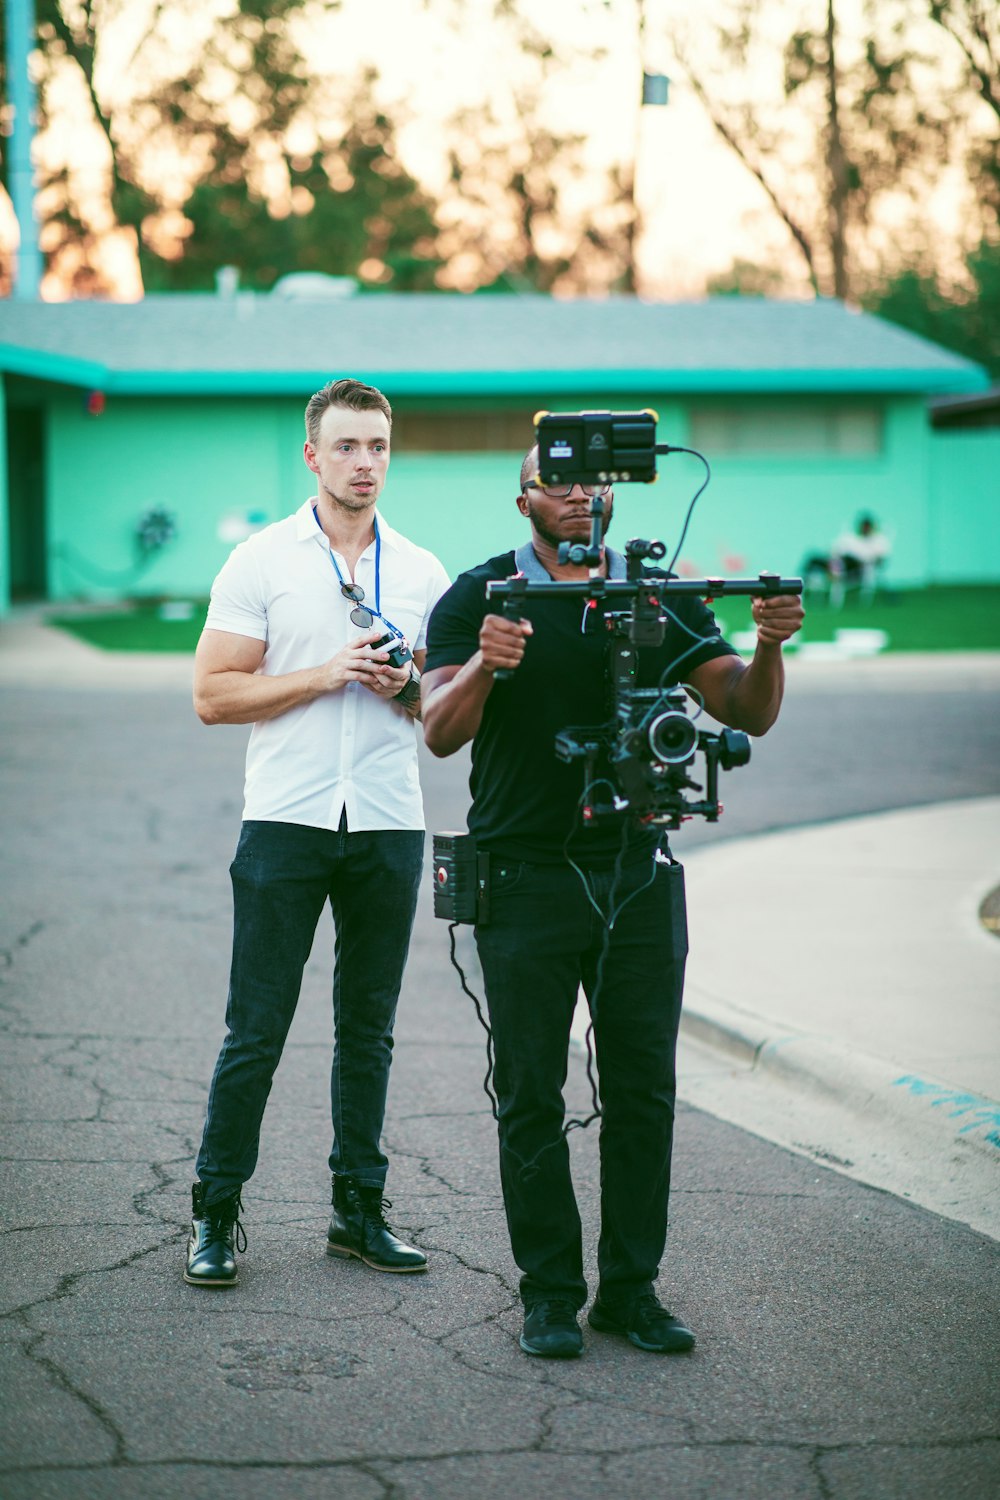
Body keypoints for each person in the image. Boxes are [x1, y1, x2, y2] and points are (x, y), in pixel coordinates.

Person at [421, 447, 803, 1358]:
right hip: (523, 877)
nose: (580, 493)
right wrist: (485, 664)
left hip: (637, 873)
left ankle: (630, 1291)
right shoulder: (482, 596)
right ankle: (549, 1291)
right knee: (528, 1094)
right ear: (523, 500)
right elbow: (437, 732)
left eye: (593, 481)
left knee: (644, 1094)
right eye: (557, 480)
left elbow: (745, 712)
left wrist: (769, 644)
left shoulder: (658, 591)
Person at [185, 377, 449, 1288]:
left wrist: (404, 686)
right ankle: (216, 1214)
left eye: (377, 447)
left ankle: (358, 1211)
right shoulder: (260, 561)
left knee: (367, 1030)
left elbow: (449, 718)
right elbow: (213, 695)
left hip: (385, 822)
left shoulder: (421, 572)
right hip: (287, 820)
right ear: (312, 455)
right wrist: (323, 674)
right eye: (346, 447)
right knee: (255, 1029)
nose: (364, 463)